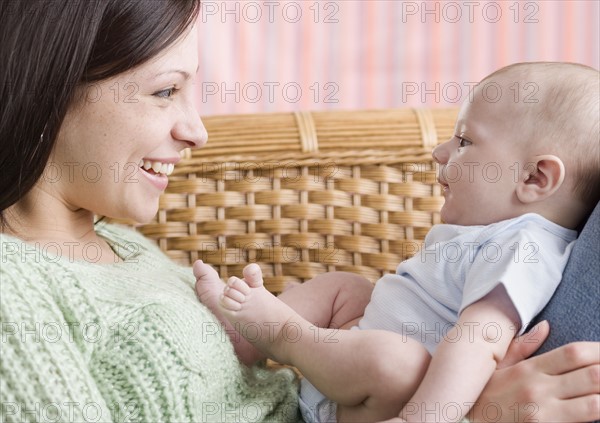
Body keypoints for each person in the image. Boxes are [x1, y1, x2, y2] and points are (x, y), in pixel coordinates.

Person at [0, 0, 597, 420]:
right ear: (52, 84)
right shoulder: (14, 293)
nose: (197, 131)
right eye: (164, 91)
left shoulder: (120, 243)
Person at [194, 62, 600, 423]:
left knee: (396, 361)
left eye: (465, 142)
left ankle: (281, 334)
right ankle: (243, 337)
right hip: (351, 366)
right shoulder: (496, 233)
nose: (440, 152)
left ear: (534, 179)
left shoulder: (523, 248)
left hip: (385, 398)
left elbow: (478, 343)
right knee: (348, 289)